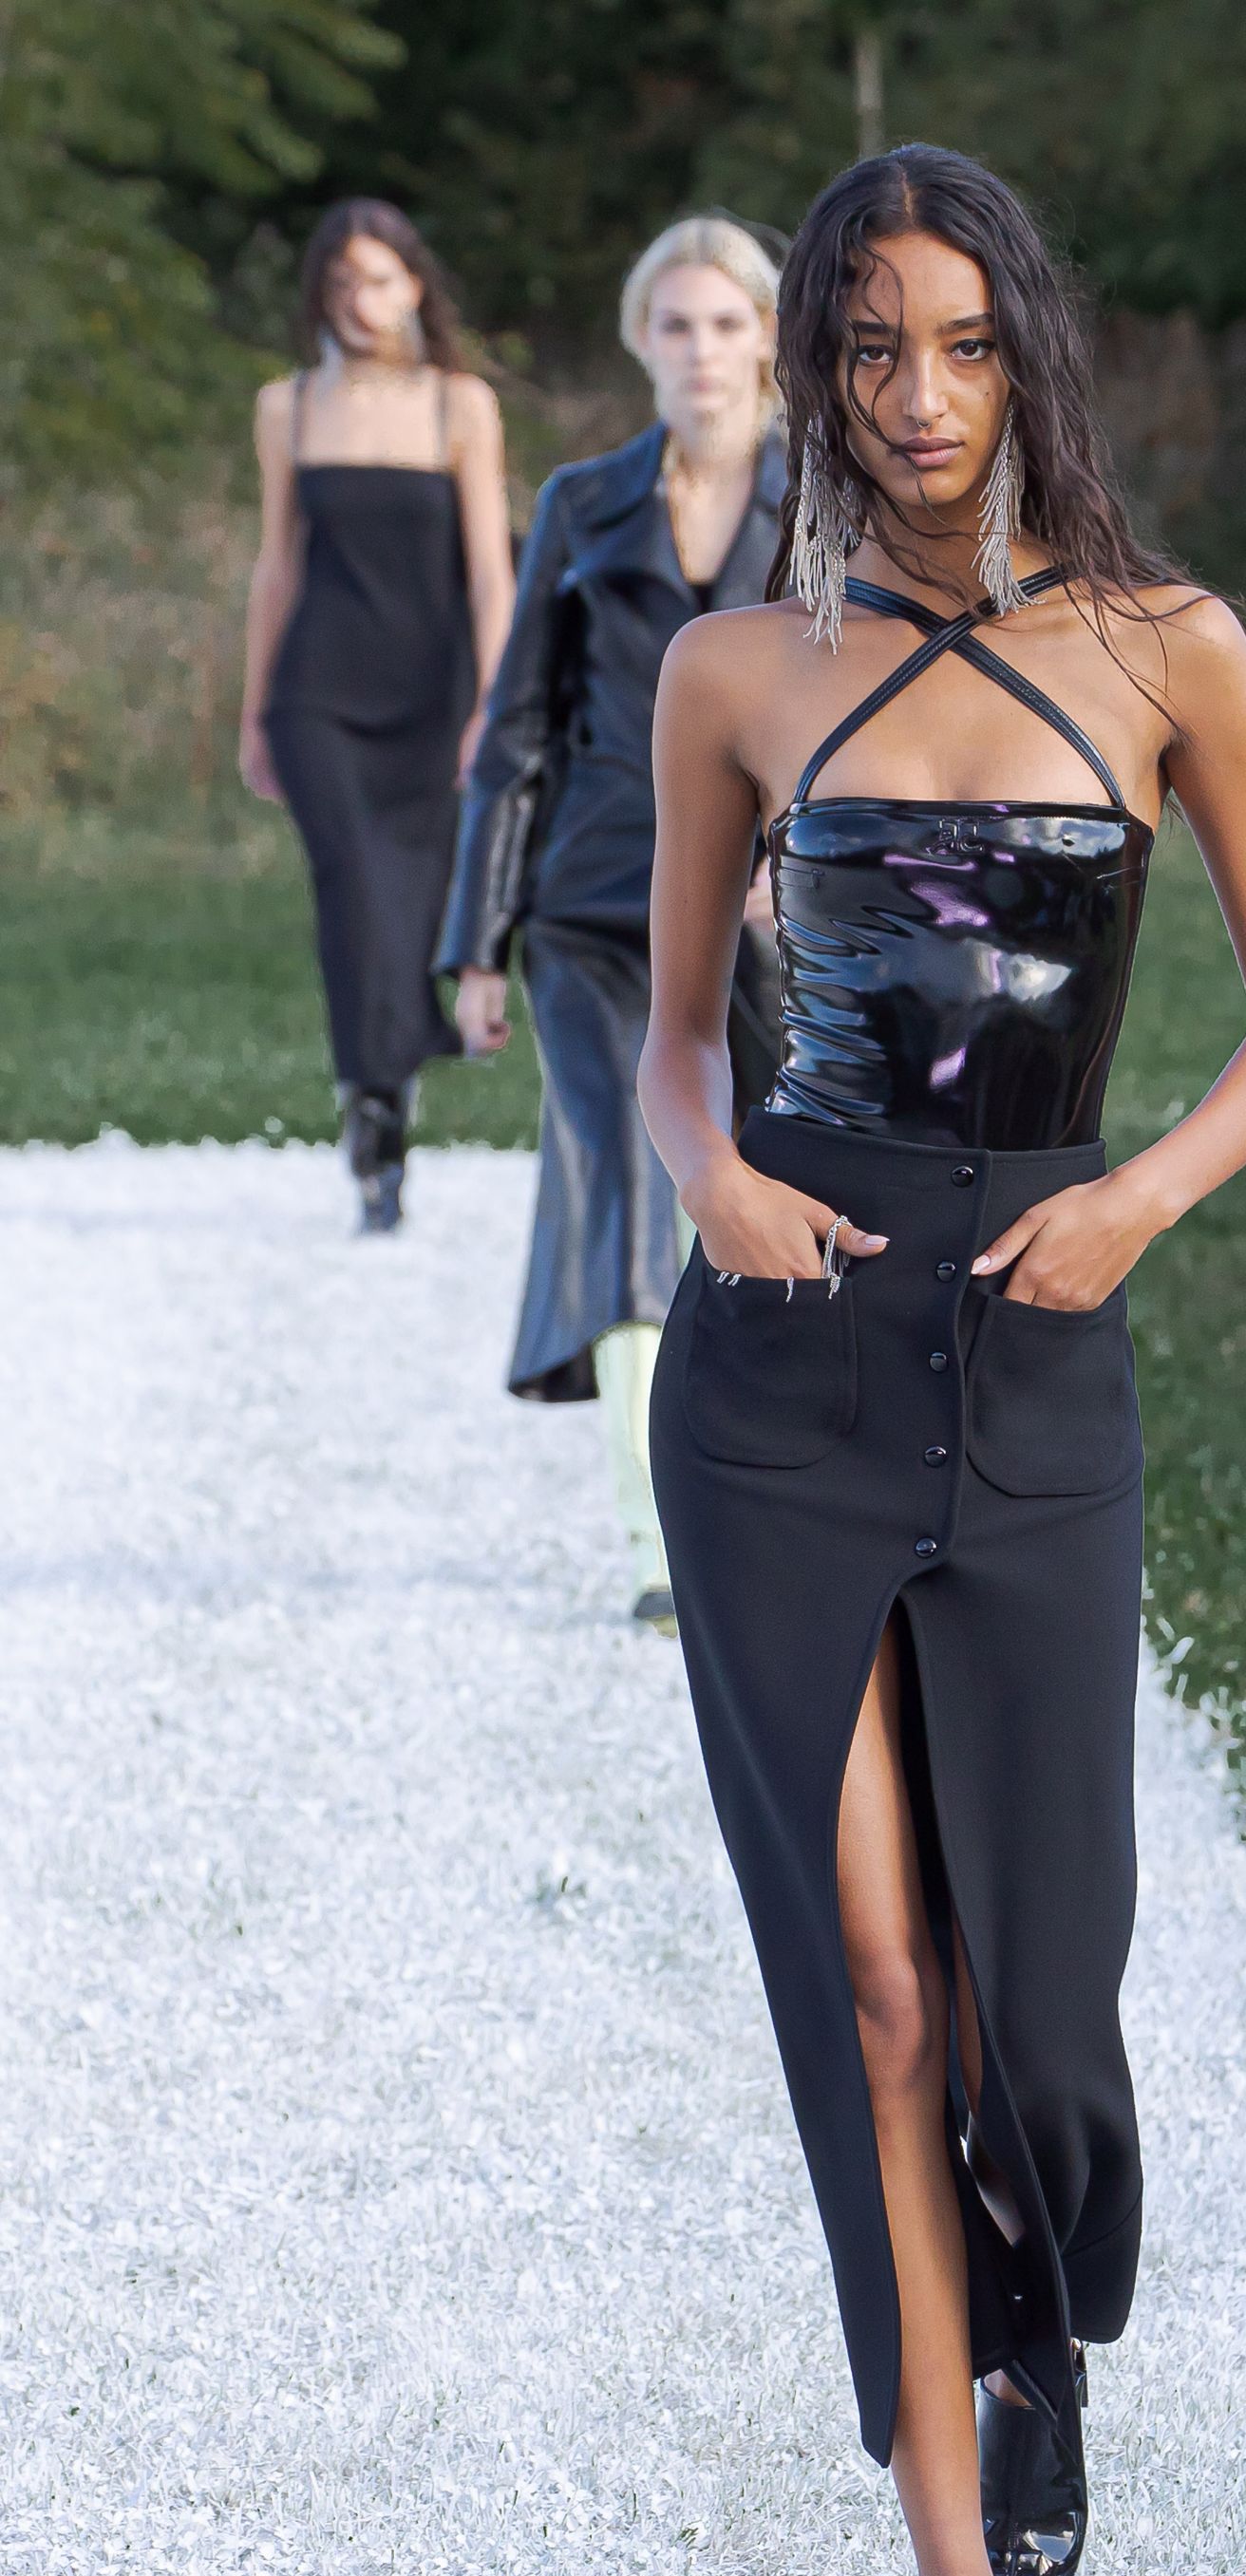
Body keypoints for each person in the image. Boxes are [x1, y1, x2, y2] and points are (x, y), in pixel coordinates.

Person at [636, 145, 1246, 2576]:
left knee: (1043, 2022)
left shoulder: (1172, 651)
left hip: (1043, 1351)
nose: (920, 405)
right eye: (869, 355)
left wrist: (1138, 1199)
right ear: (815, 376)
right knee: (882, 1999)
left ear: (1027, 350)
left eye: (961, 346)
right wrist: (701, 1174)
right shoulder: (740, 667)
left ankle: (1042, 2338)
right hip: (785, 1379)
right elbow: (682, 1029)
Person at [438, 217, 788, 1626]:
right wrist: (476, 941)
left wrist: (809, 861)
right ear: (641, 340)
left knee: (778, 1184)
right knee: (640, 1184)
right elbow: (515, 730)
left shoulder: (834, 497)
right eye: (676, 325)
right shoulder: (582, 506)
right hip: (591, 908)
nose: (702, 353)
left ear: (770, 338)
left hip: (783, 916)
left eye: (727, 324)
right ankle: (664, 1547)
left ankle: (780, 1488)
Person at [241, 200, 514, 1231]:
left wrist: (497, 708)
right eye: (341, 282)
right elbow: (277, 567)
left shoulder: (460, 407)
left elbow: (491, 576)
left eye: (380, 278)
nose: (361, 301)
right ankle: (373, 1103)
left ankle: (389, 1077)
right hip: (316, 691)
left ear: (415, 285)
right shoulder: (289, 407)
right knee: (351, 885)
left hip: (434, 691)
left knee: (411, 894)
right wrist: (254, 709)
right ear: (320, 293)